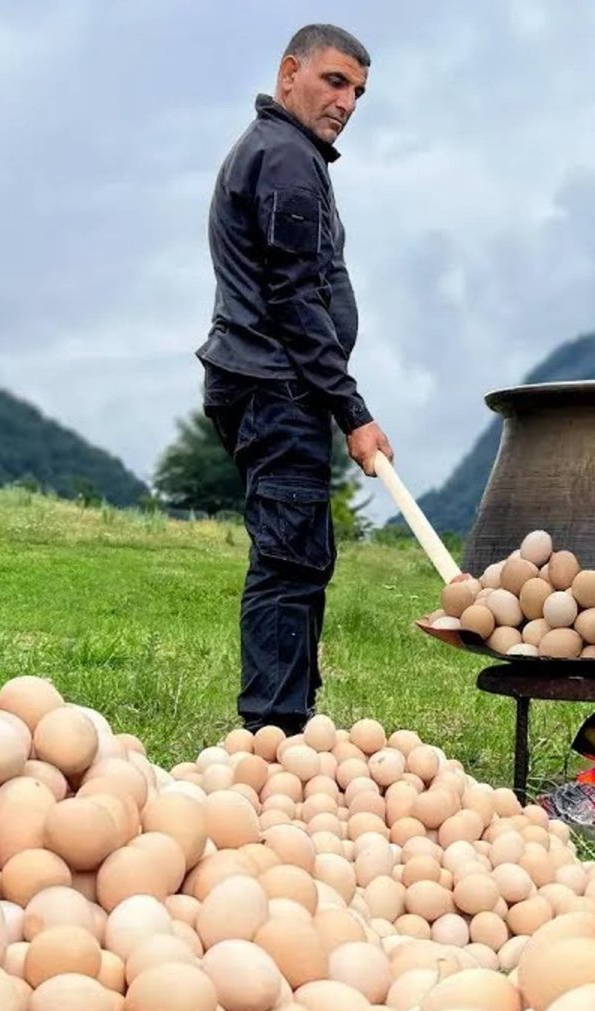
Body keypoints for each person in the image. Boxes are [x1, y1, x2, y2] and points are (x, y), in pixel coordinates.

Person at [195, 22, 394, 736]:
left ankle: (291, 722)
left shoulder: (285, 152)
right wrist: (354, 412)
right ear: (289, 73)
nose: (346, 102)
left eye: (358, 91)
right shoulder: (285, 158)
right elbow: (295, 300)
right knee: (288, 561)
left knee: (301, 555)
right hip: (274, 385)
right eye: (334, 81)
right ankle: (273, 737)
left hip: (275, 383)